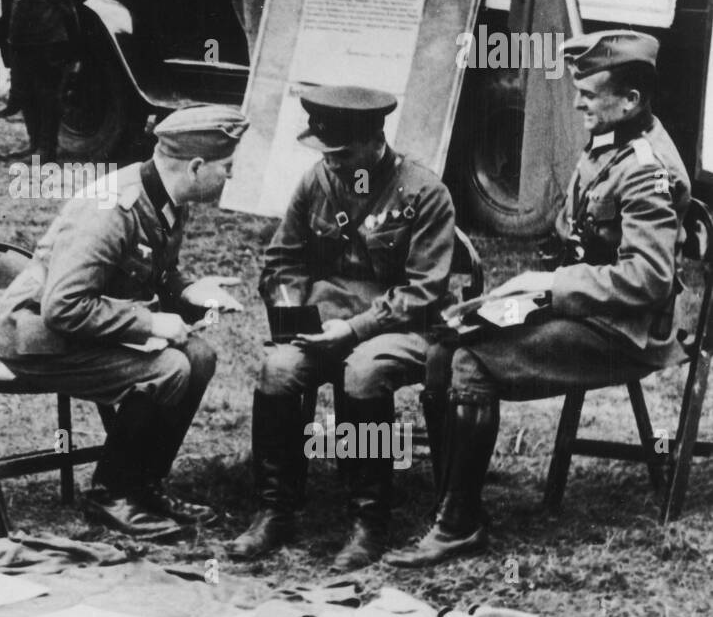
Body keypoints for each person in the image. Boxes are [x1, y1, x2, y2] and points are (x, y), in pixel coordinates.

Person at [386, 31, 690, 568]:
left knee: (472, 361)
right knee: (448, 336)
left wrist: (551, 288)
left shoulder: (645, 169)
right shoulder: (613, 138)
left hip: (626, 331)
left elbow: (651, 278)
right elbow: (575, 234)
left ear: (630, 100)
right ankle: (452, 500)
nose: (577, 103)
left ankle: (459, 525)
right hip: (584, 307)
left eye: (589, 95)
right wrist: (529, 288)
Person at [0, 105, 249, 538]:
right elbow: (64, 306)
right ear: (197, 166)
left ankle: (145, 484)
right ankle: (111, 494)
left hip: (81, 329)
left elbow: (154, 271)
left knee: (199, 357)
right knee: (170, 368)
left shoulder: (166, 197)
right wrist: (149, 325)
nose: (230, 177)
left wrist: (188, 291)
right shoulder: (111, 209)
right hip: (37, 336)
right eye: (226, 167)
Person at [226, 86, 455, 570]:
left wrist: (352, 330)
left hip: (405, 326)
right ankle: (275, 510)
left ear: (376, 142)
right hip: (324, 323)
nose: (332, 165)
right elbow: (282, 262)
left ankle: (368, 519)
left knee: (362, 372)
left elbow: (423, 291)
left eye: (343, 155)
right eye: (325, 154)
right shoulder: (317, 182)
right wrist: (293, 320)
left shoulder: (423, 192)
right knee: (278, 368)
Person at [6, 0, 99, 163]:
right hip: (21, 32)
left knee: (48, 92)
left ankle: (46, 150)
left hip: (49, 33)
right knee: (24, 91)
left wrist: (65, 1)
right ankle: (33, 144)